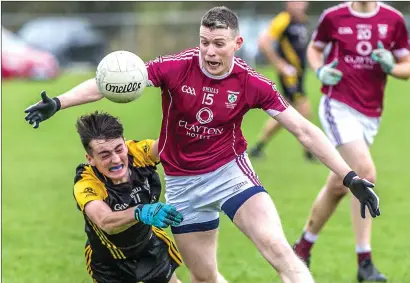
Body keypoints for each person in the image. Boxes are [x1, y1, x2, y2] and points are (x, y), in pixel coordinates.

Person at [24, 6, 381, 283]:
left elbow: (304, 130)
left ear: (236, 44)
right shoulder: (175, 68)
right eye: (204, 42)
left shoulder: (252, 83)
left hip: (231, 174)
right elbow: (108, 82)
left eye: (219, 43)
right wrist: (58, 101)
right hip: (182, 187)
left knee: (279, 251)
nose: (209, 51)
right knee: (204, 276)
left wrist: (349, 177)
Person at [292, 1, 410, 282]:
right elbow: (314, 48)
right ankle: (365, 262)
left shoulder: (392, 19)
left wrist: (392, 67)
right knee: (365, 173)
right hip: (338, 104)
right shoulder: (333, 17)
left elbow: (407, 66)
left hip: (371, 113)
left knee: (340, 182)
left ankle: (302, 247)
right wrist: (320, 70)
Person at [73, 111, 184, 283]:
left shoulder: (137, 153)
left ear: (125, 143)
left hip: (149, 246)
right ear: (90, 159)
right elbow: (105, 221)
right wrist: (141, 212)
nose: (116, 160)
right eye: (105, 155)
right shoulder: (86, 183)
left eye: (119, 149)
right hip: (109, 261)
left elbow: (168, 144)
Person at [249, 1, 315, 161]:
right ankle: (310, 151)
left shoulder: (302, 21)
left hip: (299, 74)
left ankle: (258, 147)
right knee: (305, 111)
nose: (300, 5)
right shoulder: (283, 19)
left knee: (283, 113)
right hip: (289, 76)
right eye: (295, 2)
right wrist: (279, 64)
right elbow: (264, 42)